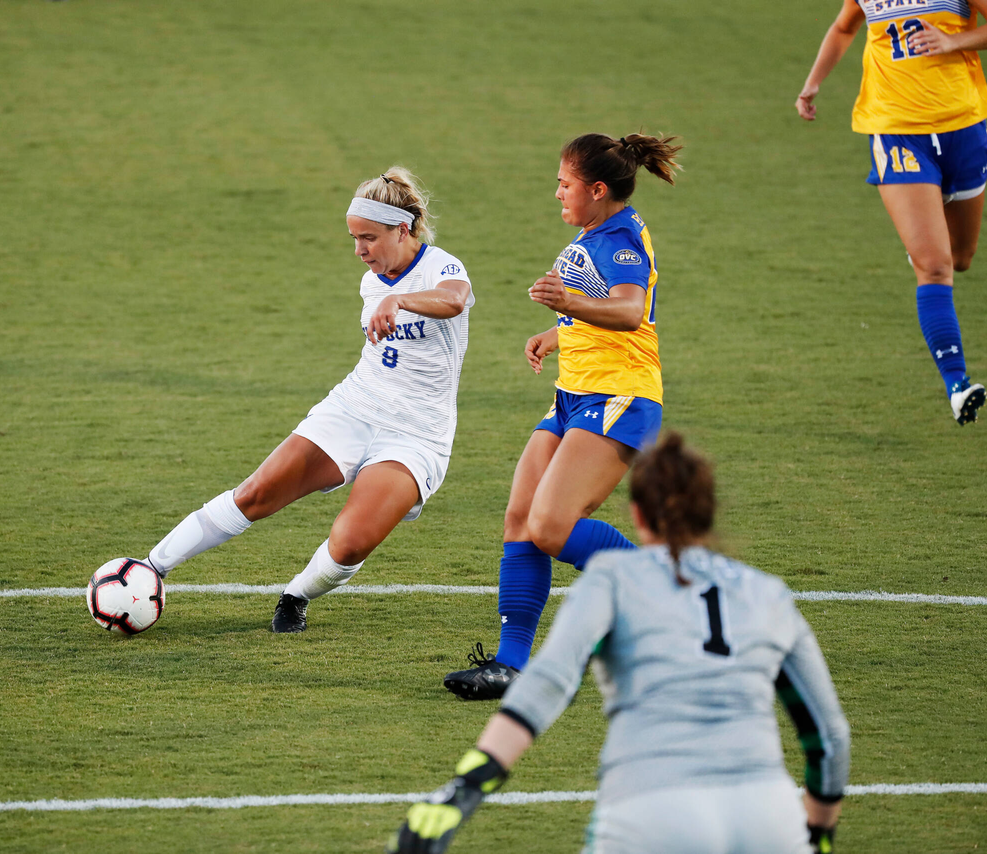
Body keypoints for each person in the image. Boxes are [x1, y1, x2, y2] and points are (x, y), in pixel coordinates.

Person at [389, 433, 851, 854]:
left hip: (649, 812)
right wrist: (818, 835)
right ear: (710, 511)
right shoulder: (768, 595)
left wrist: (463, 789)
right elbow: (828, 737)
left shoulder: (613, 578)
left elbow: (546, 686)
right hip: (768, 817)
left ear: (638, 514)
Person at [137, 167, 473, 632]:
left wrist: (401, 300)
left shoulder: (441, 266)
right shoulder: (372, 280)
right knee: (255, 494)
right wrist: (388, 298)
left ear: (402, 229)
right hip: (354, 407)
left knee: (350, 542)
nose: (359, 251)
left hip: (417, 434)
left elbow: (453, 300)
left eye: (369, 238)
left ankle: (295, 595)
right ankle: (149, 568)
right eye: (354, 238)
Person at [443, 133, 681, 700]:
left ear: (597, 190)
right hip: (574, 394)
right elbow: (598, 302)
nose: (556, 193)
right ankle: (510, 666)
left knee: (551, 527)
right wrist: (559, 331)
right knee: (521, 521)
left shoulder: (619, 237)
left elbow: (630, 310)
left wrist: (567, 305)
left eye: (564, 183)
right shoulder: (595, 229)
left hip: (618, 396)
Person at [797, 0, 987, 424]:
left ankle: (923, 246)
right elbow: (844, 27)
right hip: (896, 132)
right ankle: (957, 385)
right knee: (935, 267)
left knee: (961, 257)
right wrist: (813, 83)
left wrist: (953, 41)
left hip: (964, 127)